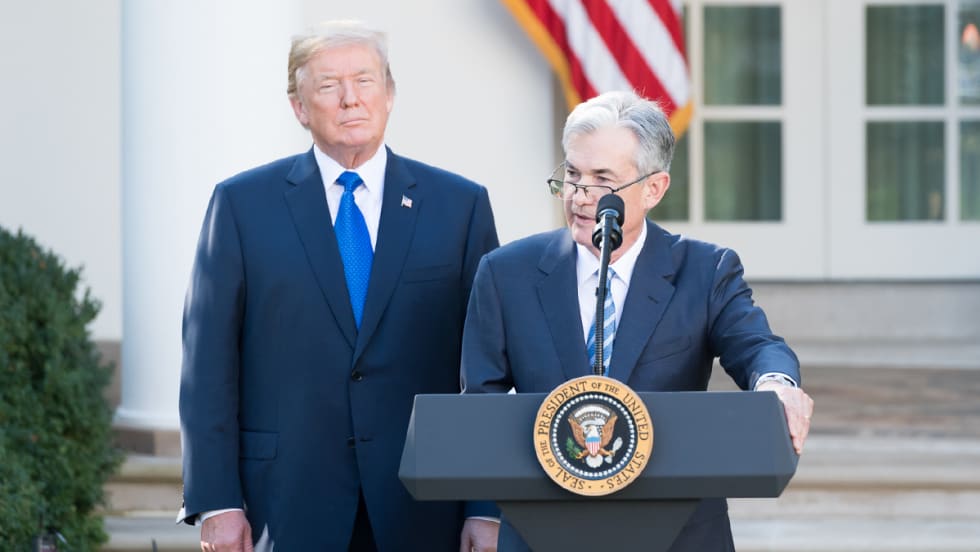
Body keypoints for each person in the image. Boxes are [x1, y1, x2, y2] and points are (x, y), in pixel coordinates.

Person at [177, 20, 499, 551]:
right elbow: (207, 366)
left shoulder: (459, 207)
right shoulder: (241, 206)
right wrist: (216, 501)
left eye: (365, 80)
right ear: (299, 107)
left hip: (423, 504)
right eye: (329, 85)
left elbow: (486, 374)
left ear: (389, 94)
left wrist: (485, 508)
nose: (351, 99)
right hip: (285, 502)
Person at [460, 90, 814, 551]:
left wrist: (776, 383)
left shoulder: (704, 271)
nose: (580, 196)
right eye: (572, 175)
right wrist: (484, 511)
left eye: (602, 180)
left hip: (677, 533)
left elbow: (757, 345)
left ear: (654, 188)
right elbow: (479, 403)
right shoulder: (506, 273)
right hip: (544, 530)